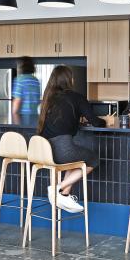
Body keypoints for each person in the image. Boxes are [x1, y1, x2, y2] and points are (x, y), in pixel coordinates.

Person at [37, 65, 105, 213]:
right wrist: (106, 121)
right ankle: (57, 188)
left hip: (44, 151)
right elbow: (96, 122)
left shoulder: (48, 99)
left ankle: (64, 194)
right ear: (69, 80)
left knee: (76, 160)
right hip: (62, 151)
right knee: (93, 159)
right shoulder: (76, 97)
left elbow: (60, 120)